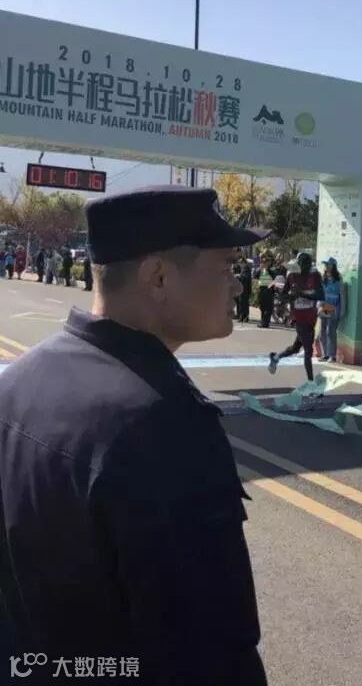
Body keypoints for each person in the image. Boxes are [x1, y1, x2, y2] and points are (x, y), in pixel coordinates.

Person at [0, 186, 267, 683]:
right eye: (228, 266)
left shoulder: (18, 381)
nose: (238, 285)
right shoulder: (162, 423)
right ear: (158, 276)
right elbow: (210, 650)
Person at [268, 252, 325, 383]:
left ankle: (276, 357)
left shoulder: (315, 275)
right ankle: (311, 384)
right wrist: (289, 296)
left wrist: (302, 294)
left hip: (311, 316)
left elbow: (321, 295)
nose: (305, 268)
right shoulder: (291, 276)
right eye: (302, 265)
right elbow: (284, 296)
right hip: (298, 317)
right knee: (308, 350)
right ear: (298, 264)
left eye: (307, 265)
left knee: (295, 348)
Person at [318, 258, 345, 362]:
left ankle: (332, 355)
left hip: (334, 308)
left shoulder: (338, 280)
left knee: (331, 332)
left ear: (333, 266)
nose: (326, 267)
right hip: (324, 307)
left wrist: (342, 309)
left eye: (328, 265)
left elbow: (342, 295)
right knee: (322, 332)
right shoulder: (324, 278)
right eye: (325, 265)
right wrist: (319, 305)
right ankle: (325, 354)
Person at [256, 252, 278, 328]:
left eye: (265, 262)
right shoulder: (260, 271)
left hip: (269, 291)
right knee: (262, 307)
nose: (263, 264)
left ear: (268, 263)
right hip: (262, 290)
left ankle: (266, 322)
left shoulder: (271, 270)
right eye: (262, 262)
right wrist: (260, 269)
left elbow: (275, 279)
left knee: (268, 308)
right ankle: (262, 321)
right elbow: (255, 277)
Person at [237, 257, 253, 323]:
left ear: (244, 263)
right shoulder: (242, 270)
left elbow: (246, 279)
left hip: (246, 289)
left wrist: (239, 277)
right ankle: (242, 316)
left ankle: (245, 317)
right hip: (241, 289)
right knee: (241, 303)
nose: (240, 264)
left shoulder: (247, 270)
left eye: (241, 263)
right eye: (239, 263)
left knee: (245, 303)